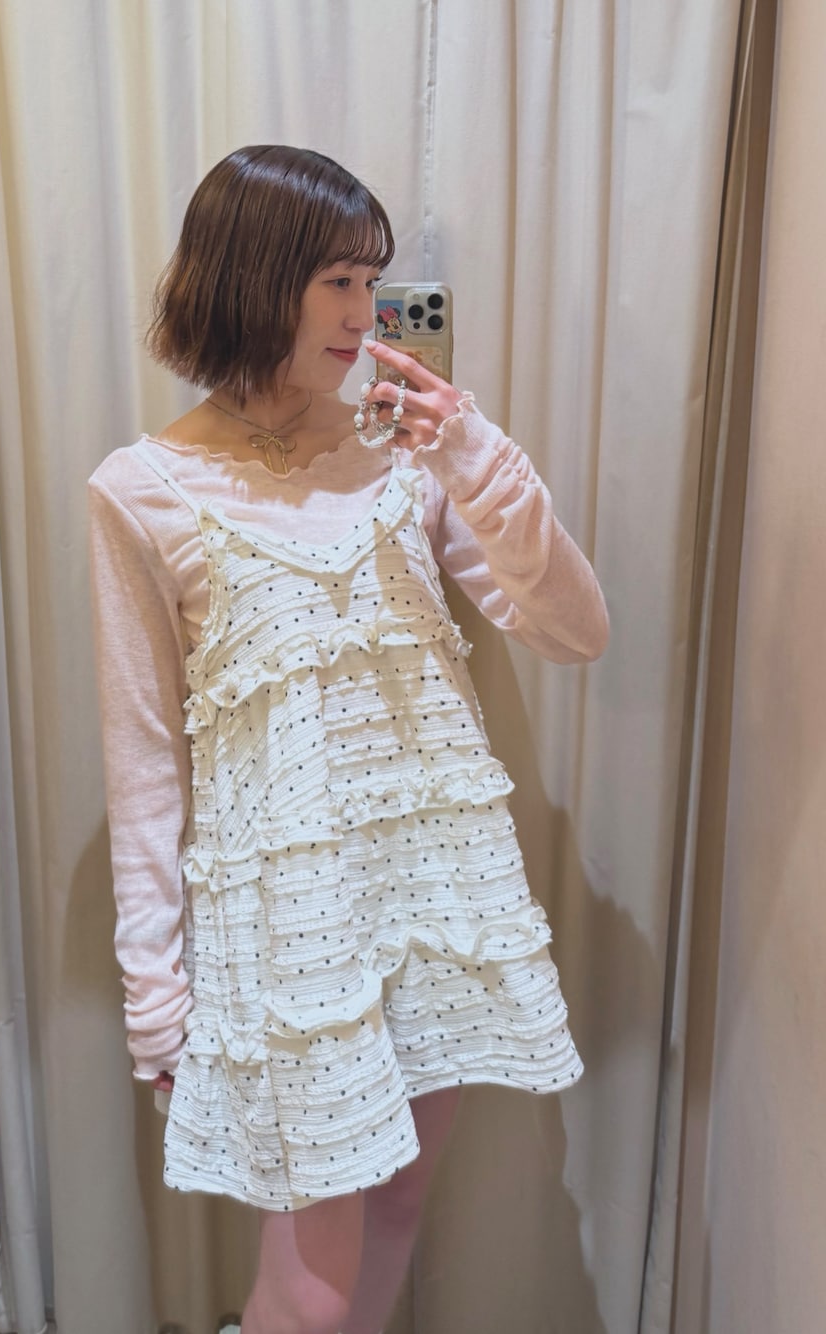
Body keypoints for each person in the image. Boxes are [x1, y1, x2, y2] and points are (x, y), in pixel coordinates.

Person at [89, 144, 608, 1334]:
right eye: (336, 280)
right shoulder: (141, 488)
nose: (364, 313)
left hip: (432, 891)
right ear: (251, 276)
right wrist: (154, 989)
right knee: (312, 1292)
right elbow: (144, 756)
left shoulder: (407, 452)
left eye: (371, 281)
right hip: (290, 924)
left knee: (401, 1203)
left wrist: (469, 452)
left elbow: (574, 631)